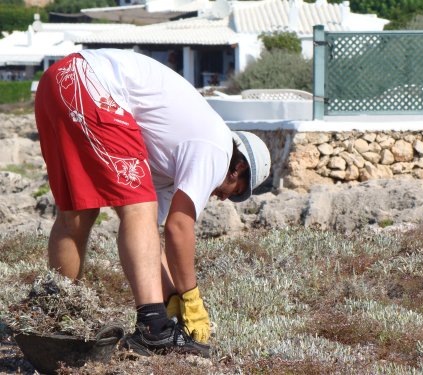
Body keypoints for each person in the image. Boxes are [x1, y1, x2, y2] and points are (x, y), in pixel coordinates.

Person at [34, 49, 271, 357]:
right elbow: (178, 227)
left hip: (59, 81)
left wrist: (171, 294)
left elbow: (149, 238)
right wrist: (191, 298)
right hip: (94, 85)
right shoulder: (217, 148)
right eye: (236, 191)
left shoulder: (169, 165)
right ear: (238, 168)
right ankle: (153, 329)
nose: (225, 197)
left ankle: (55, 317)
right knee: (138, 207)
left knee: (77, 213)